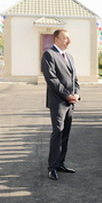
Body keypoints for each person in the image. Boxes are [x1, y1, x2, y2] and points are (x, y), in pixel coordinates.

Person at [41, 29, 80, 180]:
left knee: (65, 134)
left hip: (70, 102)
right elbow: (52, 79)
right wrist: (67, 95)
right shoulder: (49, 55)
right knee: (57, 132)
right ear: (56, 39)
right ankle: (52, 167)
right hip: (58, 102)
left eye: (69, 38)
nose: (69, 41)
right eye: (66, 38)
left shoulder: (69, 57)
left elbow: (75, 79)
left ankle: (61, 163)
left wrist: (77, 94)